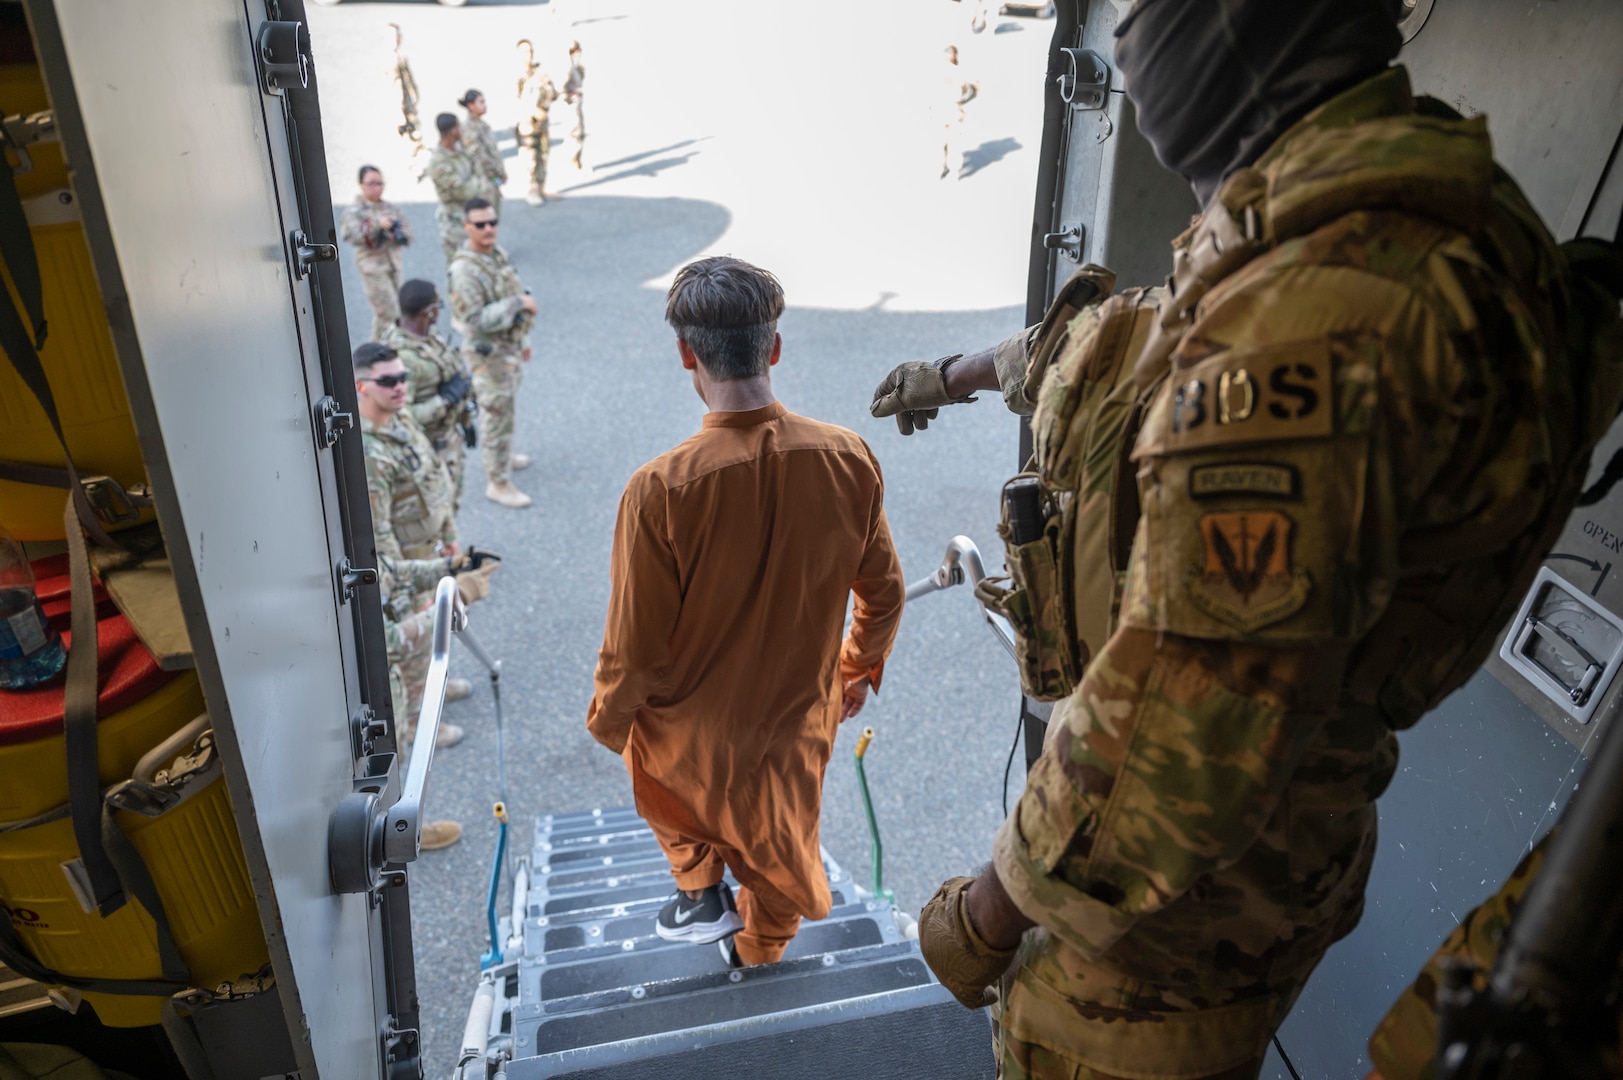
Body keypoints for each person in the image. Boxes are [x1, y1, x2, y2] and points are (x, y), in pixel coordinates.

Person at [869, 1, 1623, 1076]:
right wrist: (949, 379)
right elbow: (1106, 335)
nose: (1128, 34)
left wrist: (983, 919)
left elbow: (1176, 735)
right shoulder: (1402, 216)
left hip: (1167, 919)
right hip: (1245, 858)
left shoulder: (1315, 314)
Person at [587, 256, 906, 968]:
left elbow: (632, 652)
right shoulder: (846, 457)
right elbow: (883, 592)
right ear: (775, 348)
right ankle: (760, 953)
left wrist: (610, 721)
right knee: (782, 844)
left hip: (695, 736)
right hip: (798, 717)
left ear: (684, 353)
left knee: (655, 762)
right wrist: (851, 671)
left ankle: (699, 885)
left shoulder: (660, 489)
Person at [354, 342, 483, 728]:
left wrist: (450, 536)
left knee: (436, 632)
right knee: (413, 650)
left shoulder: (401, 418)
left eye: (403, 377)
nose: (399, 386)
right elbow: (379, 534)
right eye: (388, 380)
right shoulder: (370, 453)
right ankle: (422, 726)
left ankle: (436, 688)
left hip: (430, 549)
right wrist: (405, 595)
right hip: (408, 562)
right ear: (362, 386)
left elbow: (432, 480)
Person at [447, 198, 537, 509]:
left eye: (492, 222)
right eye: (480, 224)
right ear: (466, 226)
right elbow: (473, 319)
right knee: (495, 412)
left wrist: (522, 340)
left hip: (507, 347)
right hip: (487, 353)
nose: (488, 229)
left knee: (505, 407)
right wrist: (519, 305)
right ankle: (498, 482)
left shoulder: (495, 254)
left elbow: (508, 290)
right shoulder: (464, 269)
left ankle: (503, 455)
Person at [377, 559, 463, 851]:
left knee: (392, 760)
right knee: (374, 770)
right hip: (363, 691)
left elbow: (387, 570)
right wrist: (442, 612)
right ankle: (395, 836)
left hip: (385, 687)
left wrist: (448, 567)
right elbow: (386, 641)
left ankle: (399, 826)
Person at [382, 279, 475, 508]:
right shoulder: (404, 360)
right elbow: (399, 417)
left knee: (453, 506)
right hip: (431, 448)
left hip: (450, 435)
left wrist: (466, 419)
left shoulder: (428, 336)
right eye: (438, 306)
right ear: (429, 312)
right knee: (441, 513)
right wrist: (445, 400)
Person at [339, 166, 413, 342]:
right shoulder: (354, 211)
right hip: (373, 268)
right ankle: (392, 355)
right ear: (361, 185)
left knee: (385, 317)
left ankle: (373, 354)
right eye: (371, 184)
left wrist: (396, 232)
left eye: (380, 184)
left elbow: (408, 234)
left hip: (394, 266)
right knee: (390, 314)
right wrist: (377, 225)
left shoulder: (390, 208)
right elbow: (353, 235)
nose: (377, 188)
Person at [427, 113, 494, 266]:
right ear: (452, 131)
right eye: (459, 126)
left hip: (473, 217)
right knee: (462, 268)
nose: (462, 129)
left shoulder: (460, 149)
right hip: (455, 223)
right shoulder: (439, 163)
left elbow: (477, 168)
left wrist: (476, 180)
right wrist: (480, 183)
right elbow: (463, 191)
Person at [515, 40, 561, 206]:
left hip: (542, 123)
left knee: (543, 155)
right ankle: (531, 190)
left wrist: (547, 86)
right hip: (527, 124)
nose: (529, 54)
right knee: (530, 158)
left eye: (531, 50)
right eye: (525, 51)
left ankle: (541, 188)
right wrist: (533, 110)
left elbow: (553, 94)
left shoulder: (539, 73)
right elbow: (517, 101)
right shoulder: (518, 75)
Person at [459, 89, 506, 215]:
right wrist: (498, 173)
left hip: (492, 180)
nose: (485, 105)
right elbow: (479, 158)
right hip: (483, 183)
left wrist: (500, 173)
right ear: (471, 106)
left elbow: (492, 151)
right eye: (481, 102)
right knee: (486, 220)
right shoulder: (469, 129)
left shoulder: (482, 124)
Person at [388, 24, 423, 162]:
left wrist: (415, 94)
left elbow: (409, 79)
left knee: (414, 133)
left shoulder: (400, 57)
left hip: (408, 103)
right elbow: (396, 87)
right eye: (397, 35)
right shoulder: (391, 60)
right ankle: (411, 163)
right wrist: (400, 114)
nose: (400, 38)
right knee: (411, 136)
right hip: (403, 107)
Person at [563, 41, 586, 171]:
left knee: (579, 131)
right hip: (571, 104)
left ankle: (576, 160)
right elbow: (562, 87)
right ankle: (572, 161)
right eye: (577, 50)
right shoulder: (568, 67)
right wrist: (569, 95)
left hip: (577, 103)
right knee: (574, 133)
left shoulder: (576, 66)